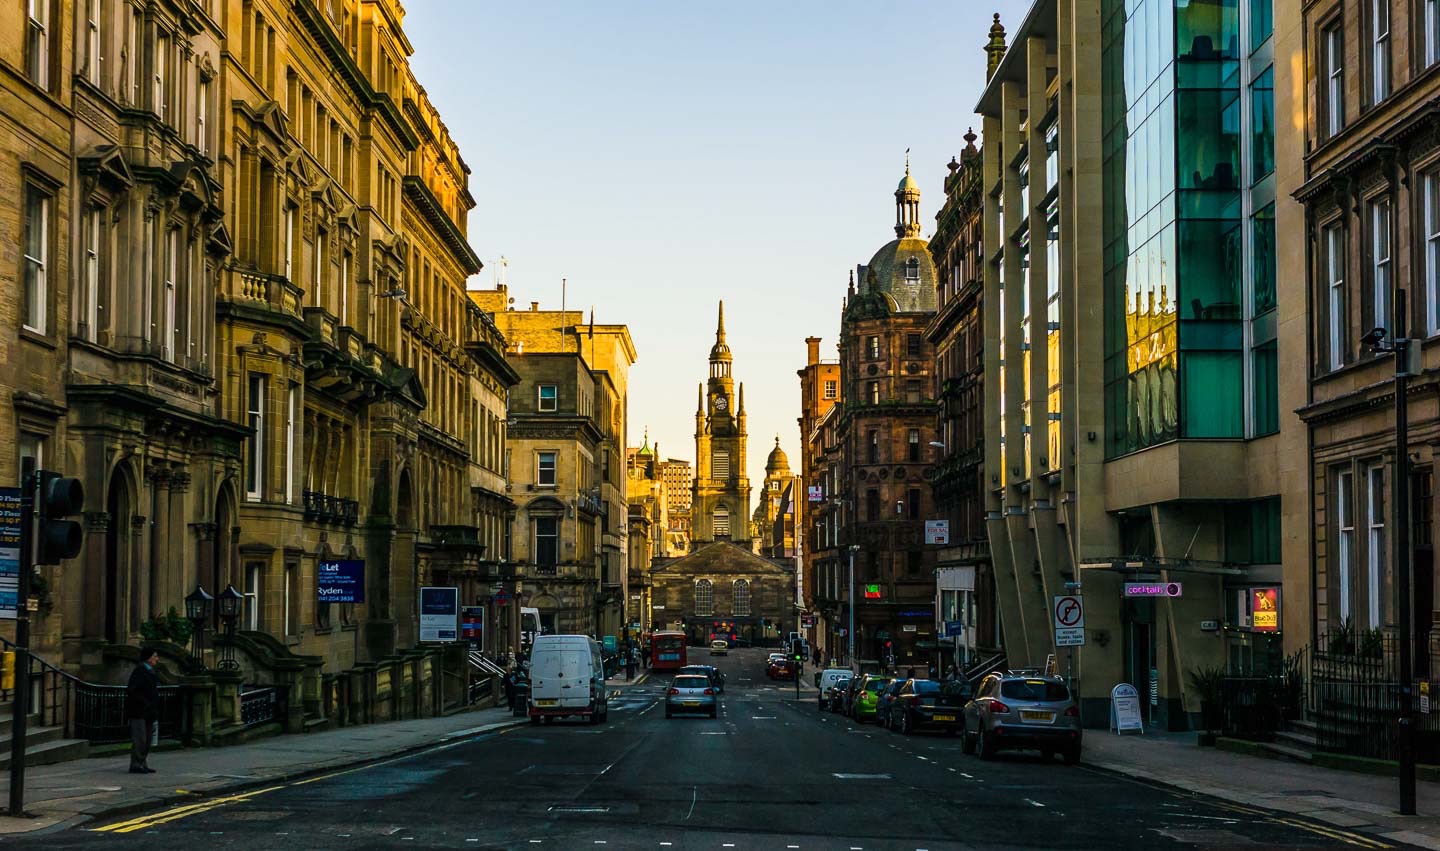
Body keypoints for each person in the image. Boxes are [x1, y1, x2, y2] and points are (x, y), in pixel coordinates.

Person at [125, 647, 160, 774]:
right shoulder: (140, 671)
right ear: (149, 658)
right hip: (139, 711)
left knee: (148, 739)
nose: (157, 658)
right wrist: (144, 702)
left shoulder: (150, 671)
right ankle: (136, 764)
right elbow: (132, 690)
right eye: (155, 656)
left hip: (149, 712)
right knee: (140, 739)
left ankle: (142, 762)